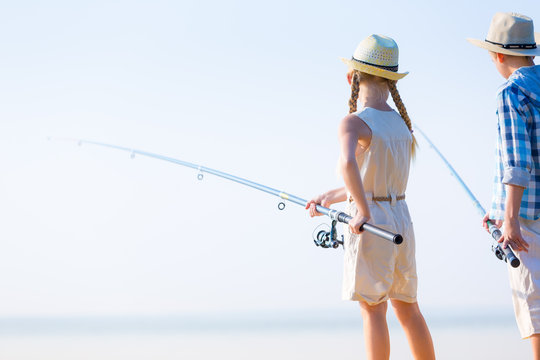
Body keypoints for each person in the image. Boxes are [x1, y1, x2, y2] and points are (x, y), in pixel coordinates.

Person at [306, 34, 435, 360]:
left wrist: (361, 211)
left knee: (372, 310)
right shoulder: (401, 124)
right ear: (391, 81)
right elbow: (374, 180)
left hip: (373, 223)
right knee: (409, 310)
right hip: (401, 218)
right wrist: (331, 198)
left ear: (352, 77)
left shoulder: (353, 122)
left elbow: (350, 165)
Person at [469, 12, 540, 357]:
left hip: (528, 219)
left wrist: (508, 218)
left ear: (498, 55)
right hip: (519, 211)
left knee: (535, 308)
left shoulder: (511, 93)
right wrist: (498, 211)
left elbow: (517, 163)